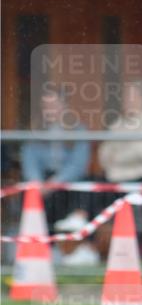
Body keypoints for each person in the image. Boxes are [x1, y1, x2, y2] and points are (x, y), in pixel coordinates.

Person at [20, 89, 99, 265]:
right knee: (30, 196)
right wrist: (37, 182)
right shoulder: (35, 132)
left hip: (68, 181)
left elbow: (78, 164)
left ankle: (82, 248)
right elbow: (29, 159)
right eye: (46, 106)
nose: (50, 110)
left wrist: (55, 183)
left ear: (64, 106)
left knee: (87, 188)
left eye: (54, 105)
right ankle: (44, 248)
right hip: (43, 183)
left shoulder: (78, 130)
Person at [98, 80, 142, 254]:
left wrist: (121, 155)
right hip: (114, 178)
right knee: (91, 192)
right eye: (127, 97)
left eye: (133, 96)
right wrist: (129, 153)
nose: (129, 101)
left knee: (133, 199)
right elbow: (104, 156)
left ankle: (139, 245)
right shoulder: (116, 125)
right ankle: (90, 247)